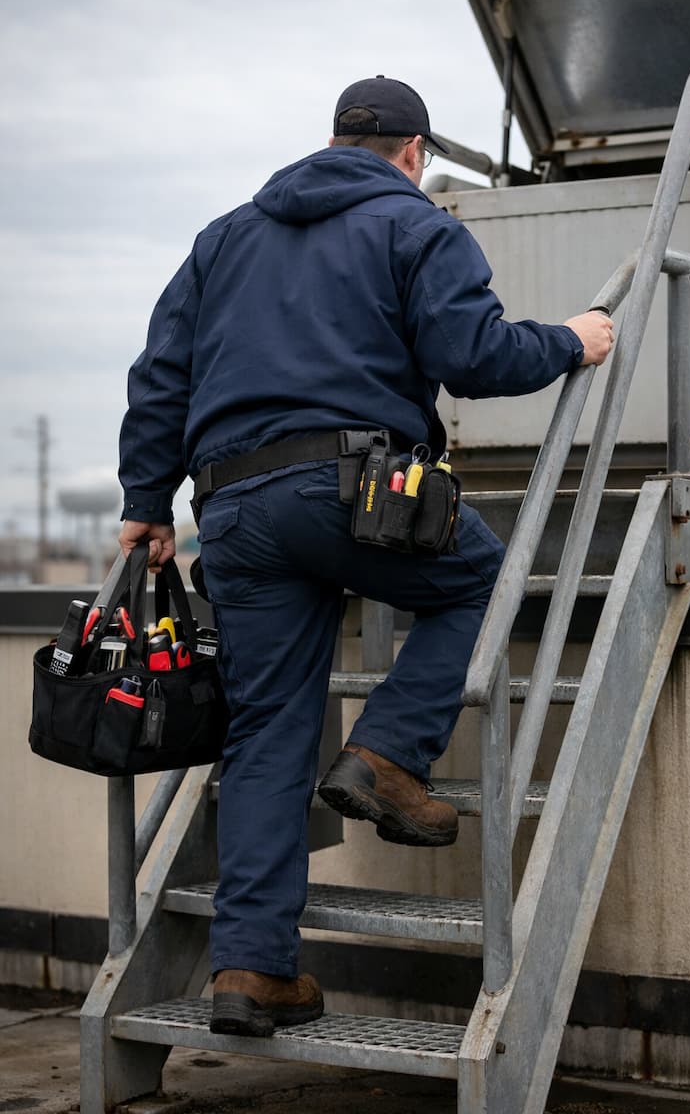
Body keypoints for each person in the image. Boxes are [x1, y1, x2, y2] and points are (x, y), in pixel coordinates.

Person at [117, 75, 614, 1040]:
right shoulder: (415, 225)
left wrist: (145, 502)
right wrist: (570, 340)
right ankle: (387, 754)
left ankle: (251, 971)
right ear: (414, 153)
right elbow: (473, 355)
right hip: (356, 491)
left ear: (335, 141)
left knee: (267, 734)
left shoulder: (224, 237)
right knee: (485, 581)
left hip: (233, 507)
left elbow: (162, 374)